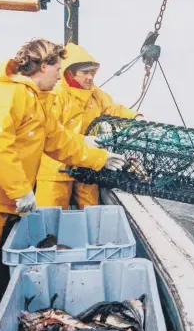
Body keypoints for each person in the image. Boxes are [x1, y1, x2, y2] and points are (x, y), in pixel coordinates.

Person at [0, 39, 126, 331]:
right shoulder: (8, 91)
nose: (59, 75)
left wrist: (99, 157)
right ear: (43, 66)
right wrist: (20, 190)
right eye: (57, 68)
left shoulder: (37, 98)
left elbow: (58, 141)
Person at [35, 43, 143, 209]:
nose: (90, 77)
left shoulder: (95, 93)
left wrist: (136, 117)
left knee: (92, 212)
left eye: (92, 73)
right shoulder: (56, 94)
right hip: (56, 169)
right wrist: (82, 140)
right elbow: (51, 131)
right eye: (85, 73)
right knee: (49, 216)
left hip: (89, 165)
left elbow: (112, 109)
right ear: (70, 72)